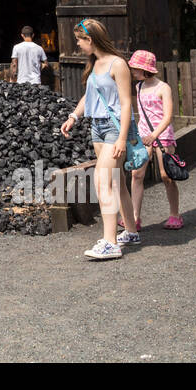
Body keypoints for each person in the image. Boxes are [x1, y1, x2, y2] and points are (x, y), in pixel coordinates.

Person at [60, 18, 141, 260]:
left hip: (114, 128)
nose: (77, 44)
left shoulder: (118, 64)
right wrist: (73, 116)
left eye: (79, 39)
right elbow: (89, 96)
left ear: (91, 39)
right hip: (97, 126)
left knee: (101, 180)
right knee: (117, 182)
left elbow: (127, 103)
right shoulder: (94, 64)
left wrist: (121, 138)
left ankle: (110, 242)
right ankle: (131, 231)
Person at [127, 50, 182, 230]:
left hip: (162, 135)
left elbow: (168, 116)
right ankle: (135, 217)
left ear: (145, 69)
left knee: (166, 175)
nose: (133, 72)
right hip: (143, 135)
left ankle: (175, 215)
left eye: (136, 68)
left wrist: (155, 134)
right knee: (137, 174)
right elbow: (141, 114)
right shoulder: (139, 87)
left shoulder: (163, 88)